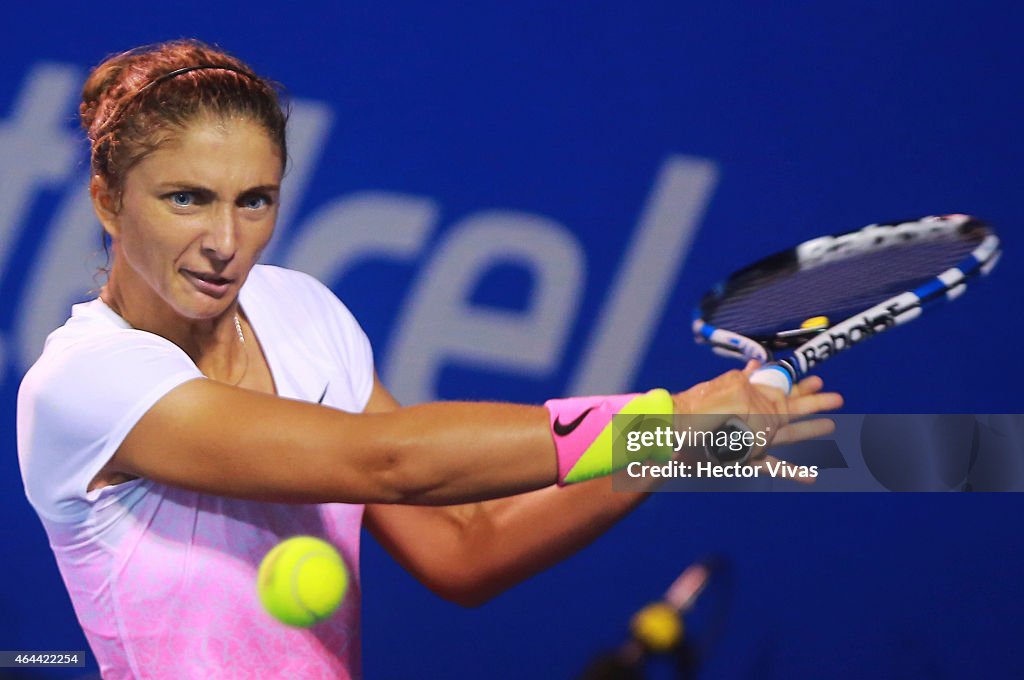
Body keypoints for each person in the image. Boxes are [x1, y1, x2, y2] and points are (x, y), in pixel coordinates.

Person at [16, 40, 842, 679]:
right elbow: (390, 462)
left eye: (254, 200)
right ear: (107, 201)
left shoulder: (302, 311)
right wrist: (662, 417)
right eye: (185, 198)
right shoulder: (85, 382)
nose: (226, 243)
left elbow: (464, 547)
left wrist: (673, 446)